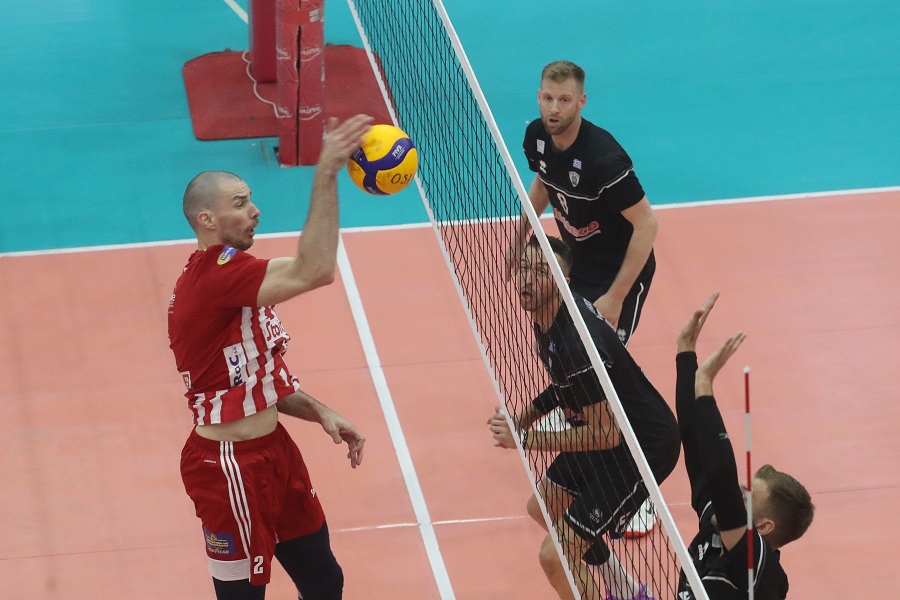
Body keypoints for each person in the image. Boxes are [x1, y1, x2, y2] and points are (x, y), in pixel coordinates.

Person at [167, 114, 373, 600]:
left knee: (324, 581)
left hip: (275, 451)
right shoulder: (215, 276)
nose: (256, 211)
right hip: (227, 468)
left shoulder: (235, 277)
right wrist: (326, 173)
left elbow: (258, 382)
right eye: (241, 204)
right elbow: (315, 269)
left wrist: (321, 412)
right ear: (207, 220)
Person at [508, 59, 661, 537]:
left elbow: (647, 225)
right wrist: (519, 237)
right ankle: (587, 443)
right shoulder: (537, 137)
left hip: (619, 272)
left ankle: (641, 495)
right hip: (577, 266)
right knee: (574, 362)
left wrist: (615, 297)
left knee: (607, 374)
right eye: (547, 98)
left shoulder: (603, 159)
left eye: (564, 100)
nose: (554, 109)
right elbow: (543, 182)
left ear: (581, 101)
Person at [488, 235, 680, 600]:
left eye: (540, 271)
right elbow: (566, 384)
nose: (527, 278)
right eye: (524, 268)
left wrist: (526, 439)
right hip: (611, 431)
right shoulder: (548, 315)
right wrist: (523, 418)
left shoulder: (575, 342)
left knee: (555, 556)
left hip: (641, 447)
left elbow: (605, 434)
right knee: (543, 507)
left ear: (562, 282)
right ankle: (625, 591)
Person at [674, 292, 815, 599]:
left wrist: (705, 384)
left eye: (747, 496)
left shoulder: (760, 572)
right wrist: (686, 353)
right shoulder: (717, 528)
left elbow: (721, 477)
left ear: (763, 527)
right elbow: (695, 445)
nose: (737, 490)